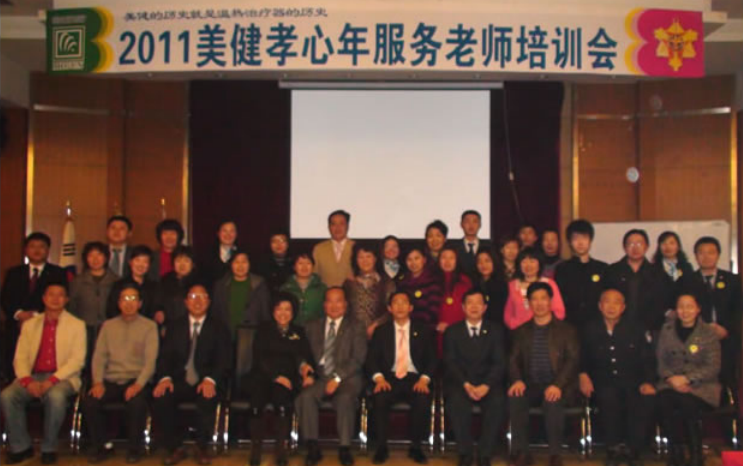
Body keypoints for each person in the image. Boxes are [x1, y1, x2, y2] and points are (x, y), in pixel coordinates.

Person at [1, 282, 86, 465]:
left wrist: (53, 380)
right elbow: (20, 357)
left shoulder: (77, 325)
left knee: (56, 396)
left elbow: (77, 360)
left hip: (63, 378)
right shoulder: (30, 325)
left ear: (67, 299)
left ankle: (49, 447)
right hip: (32, 376)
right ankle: (21, 447)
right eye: (51, 294)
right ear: (44, 298)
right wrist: (27, 381)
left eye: (60, 295)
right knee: (8, 396)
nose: (55, 299)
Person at [152, 284, 232, 466]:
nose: (197, 301)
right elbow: (164, 356)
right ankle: (175, 448)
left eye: (202, 297)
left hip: (207, 379)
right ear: (186, 302)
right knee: (162, 397)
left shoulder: (219, 327)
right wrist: (165, 378)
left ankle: (201, 447)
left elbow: (224, 360)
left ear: (209, 302)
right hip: (179, 380)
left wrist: (210, 380)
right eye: (193, 297)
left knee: (207, 397)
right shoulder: (175, 326)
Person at [579, 289, 656, 466]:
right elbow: (582, 357)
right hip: (601, 382)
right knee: (608, 398)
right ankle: (613, 449)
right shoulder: (590, 329)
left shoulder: (636, 328)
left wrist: (648, 382)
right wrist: (583, 375)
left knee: (641, 399)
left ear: (623, 307)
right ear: (600, 306)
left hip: (633, 381)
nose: (611, 306)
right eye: (607, 301)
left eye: (616, 302)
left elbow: (648, 359)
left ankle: (633, 449)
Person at [84, 283, 159, 464]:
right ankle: (103, 446)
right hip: (110, 380)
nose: (129, 303)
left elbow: (150, 362)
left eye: (133, 298)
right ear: (118, 303)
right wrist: (97, 382)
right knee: (90, 402)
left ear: (140, 303)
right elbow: (99, 357)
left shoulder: (149, 326)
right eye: (125, 298)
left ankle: (135, 449)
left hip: (137, 380)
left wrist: (138, 385)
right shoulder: (108, 326)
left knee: (137, 403)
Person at [507, 282, 579, 466]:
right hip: (530, 384)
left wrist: (557, 385)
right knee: (516, 397)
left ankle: (555, 454)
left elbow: (572, 361)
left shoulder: (567, 330)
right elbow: (513, 359)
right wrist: (517, 380)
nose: (539, 303)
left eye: (543, 299)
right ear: (529, 303)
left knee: (552, 401)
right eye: (534, 299)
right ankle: (521, 452)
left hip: (558, 385)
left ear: (550, 301)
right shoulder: (521, 331)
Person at [297, 287, 367, 466]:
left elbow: (358, 359)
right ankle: (312, 447)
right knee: (305, 397)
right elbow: (302, 353)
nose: (334, 305)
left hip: (347, 377)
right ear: (324, 305)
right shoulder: (312, 326)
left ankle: (344, 447)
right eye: (330, 301)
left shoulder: (356, 326)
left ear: (346, 304)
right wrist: (305, 368)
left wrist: (337, 378)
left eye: (338, 301)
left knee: (345, 398)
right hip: (320, 377)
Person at [243, 292, 314, 466]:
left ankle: (280, 450)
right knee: (257, 400)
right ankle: (256, 449)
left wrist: (306, 369)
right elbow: (259, 357)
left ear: (293, 312)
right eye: (279, 309)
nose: (283, 313)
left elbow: (305, 357)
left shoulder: (298, 331)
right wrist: (276, 376)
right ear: (273, 311)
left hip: (288, 379)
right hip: (263, 375)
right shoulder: (263, 329)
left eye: (287, 309)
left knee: (282, 401)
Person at [367, 291, 437, 465]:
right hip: (388, 378)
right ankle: (381, 447)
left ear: (411, 307)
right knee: (380, 397)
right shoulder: (381, 331)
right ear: (389, 308)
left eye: (404, 302)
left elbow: (433, 359)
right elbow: (371, 359)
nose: (400, 306)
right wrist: (379, 378)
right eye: (395, 303)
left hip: (415, 378)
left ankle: (416, 447)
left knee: (422, 398)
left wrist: (424, 379)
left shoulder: (423, 330)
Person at [656, 294, 721, 466]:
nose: (685, 311)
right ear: (676, 310)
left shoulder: (708, 332)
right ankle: (675, 453)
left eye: (690, 306)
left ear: (698, 309)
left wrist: (687, 379)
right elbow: (661, 361)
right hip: (671, 384)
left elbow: (713, 366)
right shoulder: (667, 330)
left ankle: (696, 455)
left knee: (687, 404)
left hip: (702, 386)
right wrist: (671, 378)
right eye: (681, 307)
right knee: (663, 402)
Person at [443, 290, 506, 466]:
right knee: (456, 402)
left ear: (485, 307)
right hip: (461, 382)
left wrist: (486, 385)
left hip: (488, 383)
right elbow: (450, 362)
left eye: (478, 303)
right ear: (463, 307)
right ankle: (465, 453)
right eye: (470, 303)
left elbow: (500, 363)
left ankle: (485, 454)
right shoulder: (452, 331)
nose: (474, 307)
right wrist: (466, 384)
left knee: (497, 402)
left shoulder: (496, 331)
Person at [677, 236, 741, 396]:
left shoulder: (733, 281)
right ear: (695, 256)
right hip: (696, 341)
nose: (706, 256)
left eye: (711, 252)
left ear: (718, 255)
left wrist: (726, 330)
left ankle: (730, 409)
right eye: (701, 253)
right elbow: (680, 311)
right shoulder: (685, 281)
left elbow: (739, 311)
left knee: (729, 382)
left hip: (726, 339)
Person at [1, 232, 68, 377]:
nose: (37, 250)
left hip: (46, 324)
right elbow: (5, 298)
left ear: (48, 250)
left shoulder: (58, 273)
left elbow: (61, 298)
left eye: (41, 247)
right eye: (32, 246)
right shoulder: (13, 272)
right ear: (26, 250)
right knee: (15, 365)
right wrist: (19, 314)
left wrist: (36, 316)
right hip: (16, 326)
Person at [603, 229, 674, 332]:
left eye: (639, 244)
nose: (635, 248)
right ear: (624, 247)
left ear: (647, 246)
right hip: (617, 329)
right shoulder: (612, 272)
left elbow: (664, 303)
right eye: (631, 244)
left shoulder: (658, 274)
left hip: (651, 330)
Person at [68, 242, 119, 368]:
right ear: (85, 259)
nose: (95, 259)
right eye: (91, 255)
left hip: (109, 329)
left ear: (106, 257)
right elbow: (71, 307)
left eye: (99, 255)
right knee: (85, 363)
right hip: (84, 329)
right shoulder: (77, 281)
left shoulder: (116, 281)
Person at [554, 220, 608, 330]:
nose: (580, 242)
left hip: (596, 324)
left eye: (584, 238)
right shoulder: (562, 269)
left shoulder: (602, 268)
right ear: (569, 242)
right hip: (569, 324)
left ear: (590, 240)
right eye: (575, 238)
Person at [503, 248, 565, 331]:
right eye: (524, 262)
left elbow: (559, 312)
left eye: (532, 261)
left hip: (547, 330)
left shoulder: (549, 283)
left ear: (539, 264)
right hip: (519, 331)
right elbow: (508, 314)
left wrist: (544, 323)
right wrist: (517, 326)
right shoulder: (512, 285)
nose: (528, 265)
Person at [211, 250, 270, 334]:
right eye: (236, 262)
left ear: (249, 264)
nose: (240, 266)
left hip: (252, 335)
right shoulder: (220, 285)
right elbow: (215, 314)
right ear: (231, 264)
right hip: (225, 335)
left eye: (244, 262)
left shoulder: (259, 284)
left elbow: (265, 314)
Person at [343, 243, 395, 339]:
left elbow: (392, 309)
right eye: (361, 257)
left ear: (375, 259)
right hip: (353, 335)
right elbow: (345, 309)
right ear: (355, 260)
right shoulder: (349, 283)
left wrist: (375, 325)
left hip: (380, 333)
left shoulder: (386, 282)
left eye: (368, 256)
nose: (365, 261)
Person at [155, 246, 201, 331]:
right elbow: (158, 302)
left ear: (193, 264)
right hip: (170, 326)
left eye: (186, 261)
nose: (182, 265)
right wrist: (159, 311)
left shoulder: (200, 282)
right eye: (178, 261)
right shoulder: (165, 280)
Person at [106, 245, 158, 320]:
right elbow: (111, 310)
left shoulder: (154, 287)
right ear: (130, 262)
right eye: (137, 260)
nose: (140, 265)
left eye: (145, 261)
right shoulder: (119, 285)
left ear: (149, 265)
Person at [436, 247, 472, 353]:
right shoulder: (432, 280)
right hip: (437, 332)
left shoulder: (465, 281)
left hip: (461, 332)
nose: (447, 261)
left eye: (451, 258)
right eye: (444, 258)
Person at [397, 247, 442, 327]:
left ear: (424, 260)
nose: (413, 263)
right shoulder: (402, 282)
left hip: (427, 327)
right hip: (404, 326)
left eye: (416, 258)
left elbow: (434, 310)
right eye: (409, 259)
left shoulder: (433, 280)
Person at [280, 253, 327, 326]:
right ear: (294, 267)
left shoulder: (322, 288)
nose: (304, 267)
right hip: (292, 328)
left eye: (308, 263)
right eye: (300, 263)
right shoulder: (285, 289)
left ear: (313, 267)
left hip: (316, 329)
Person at [313, 210, 355, 287]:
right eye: (333, 224)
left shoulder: (356, 247)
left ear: (348, 226)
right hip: (326, 293)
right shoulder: (319, 249)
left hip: (351, 293)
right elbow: (314, 276)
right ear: (329, 227)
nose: (338, 228)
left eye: (341, 224)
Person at [454, 210, 491, 279]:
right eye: (467, 221)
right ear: (461, 225)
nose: (471, 225)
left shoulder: (489, 246)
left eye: (475, 221)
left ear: (480, 225)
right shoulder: (453, 247)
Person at [474, 250, 508, 324]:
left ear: (494, 262)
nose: (483, 265)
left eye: (487, 261)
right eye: (479, 262)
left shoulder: (502, 285)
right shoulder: (474, 284)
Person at [202, 220, 238, 287]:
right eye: (224, 231)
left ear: (236, 234)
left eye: (232, 231)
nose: (228, 235)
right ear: (218, 233)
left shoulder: (242, 253)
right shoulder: (206, 254)